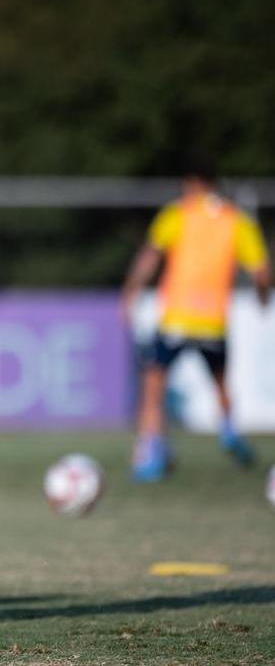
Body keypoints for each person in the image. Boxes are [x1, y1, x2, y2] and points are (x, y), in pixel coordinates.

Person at [122, 167, 270, 482]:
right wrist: (262, 297)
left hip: (177, 318)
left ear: (194, 184)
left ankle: (152, 451)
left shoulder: (178, 214)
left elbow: (150, 256)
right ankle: (229, 430)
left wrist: (131, 291)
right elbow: (261, 270)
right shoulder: (236, 220)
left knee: (153, 383)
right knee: (220, 383)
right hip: (213, 322)